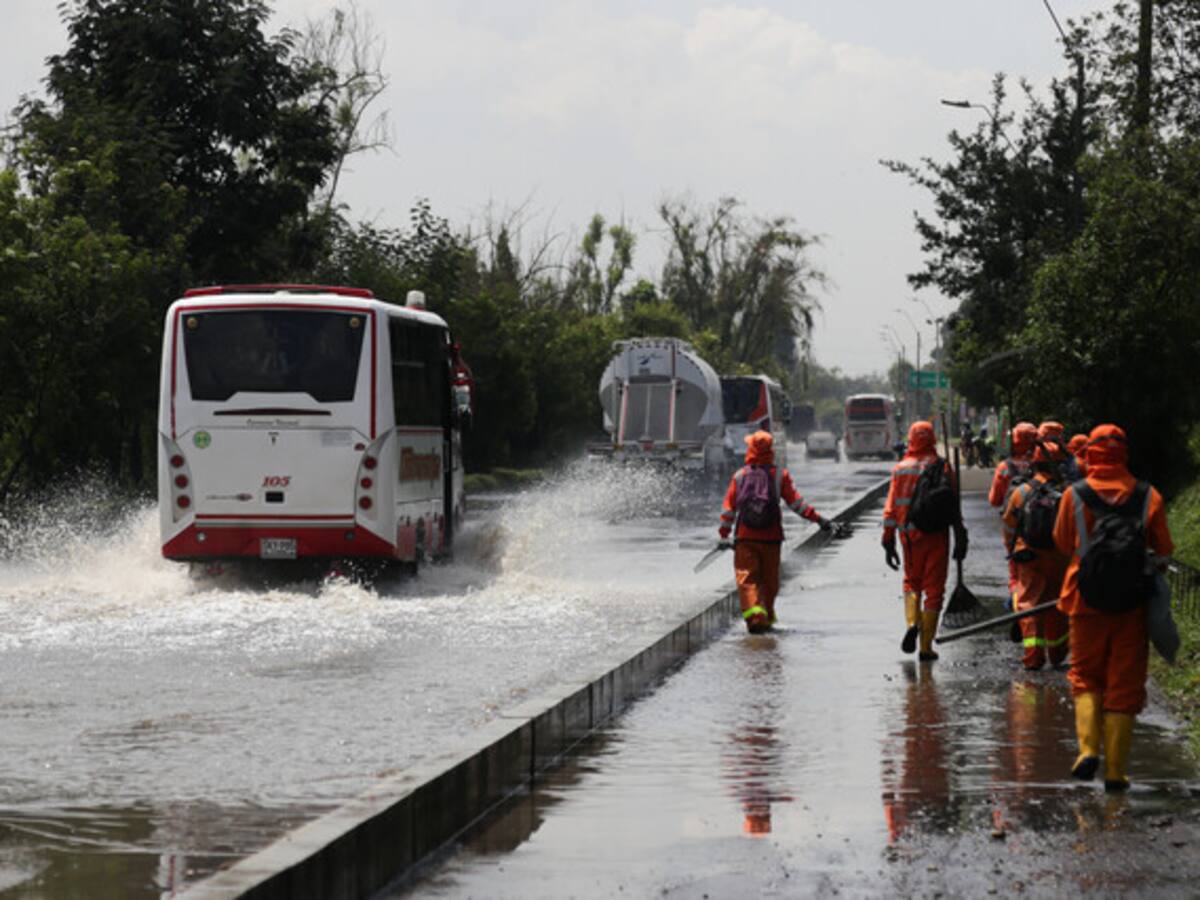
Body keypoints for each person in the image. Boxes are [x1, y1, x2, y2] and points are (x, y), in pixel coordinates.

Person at [1052, 424, 1174, 792]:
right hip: (1131, 605)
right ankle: (1117, 773)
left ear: (1089, 454)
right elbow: (1164, 551)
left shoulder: (1074, 495)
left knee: (1086, 676)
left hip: (1083, 598)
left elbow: (1061, 542)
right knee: (1124, 683)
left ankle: (1088, 750)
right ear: (1124, 454)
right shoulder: (1148, 496)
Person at [718, 431, 842, 633]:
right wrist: (820, 520)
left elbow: (728, 509)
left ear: (750, 450)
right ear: (770, 451)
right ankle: (766, 615)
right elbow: (797, 505)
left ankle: (755, 617)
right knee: (769, 581)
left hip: (745, 538)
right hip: (771, 538)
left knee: (747, 579)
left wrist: (724, 534)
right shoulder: (779, 476)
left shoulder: (740, 476)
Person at [881, 421, 968, 661]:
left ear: (911, 439)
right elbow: (953, 506)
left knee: (912, 582)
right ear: (932, 439)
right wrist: (960, 534)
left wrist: (887, 539)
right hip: (937, 534)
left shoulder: (900, 469)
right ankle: (926, 647)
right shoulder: (943, 467)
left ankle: (912, 623)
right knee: (934, 591)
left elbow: (890, 508)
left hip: (909, 535)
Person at [1002, 439, 1070, 670]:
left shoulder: (1021, 492)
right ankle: (1057, 653)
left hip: (1028, 556)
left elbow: (1009, 525)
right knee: (1058, 604)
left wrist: (1013, 549)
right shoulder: (1067, 494)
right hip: (1059, 557)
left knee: (1030, 604)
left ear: (1035, 464)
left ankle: (1033, 656)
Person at [990, 422, 1038, 610]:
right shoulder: (1043, 464)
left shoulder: (1004, 467)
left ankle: (1018, 614)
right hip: (1040, 527)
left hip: (1013, 528)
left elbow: (994, 500)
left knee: (1016, 574)